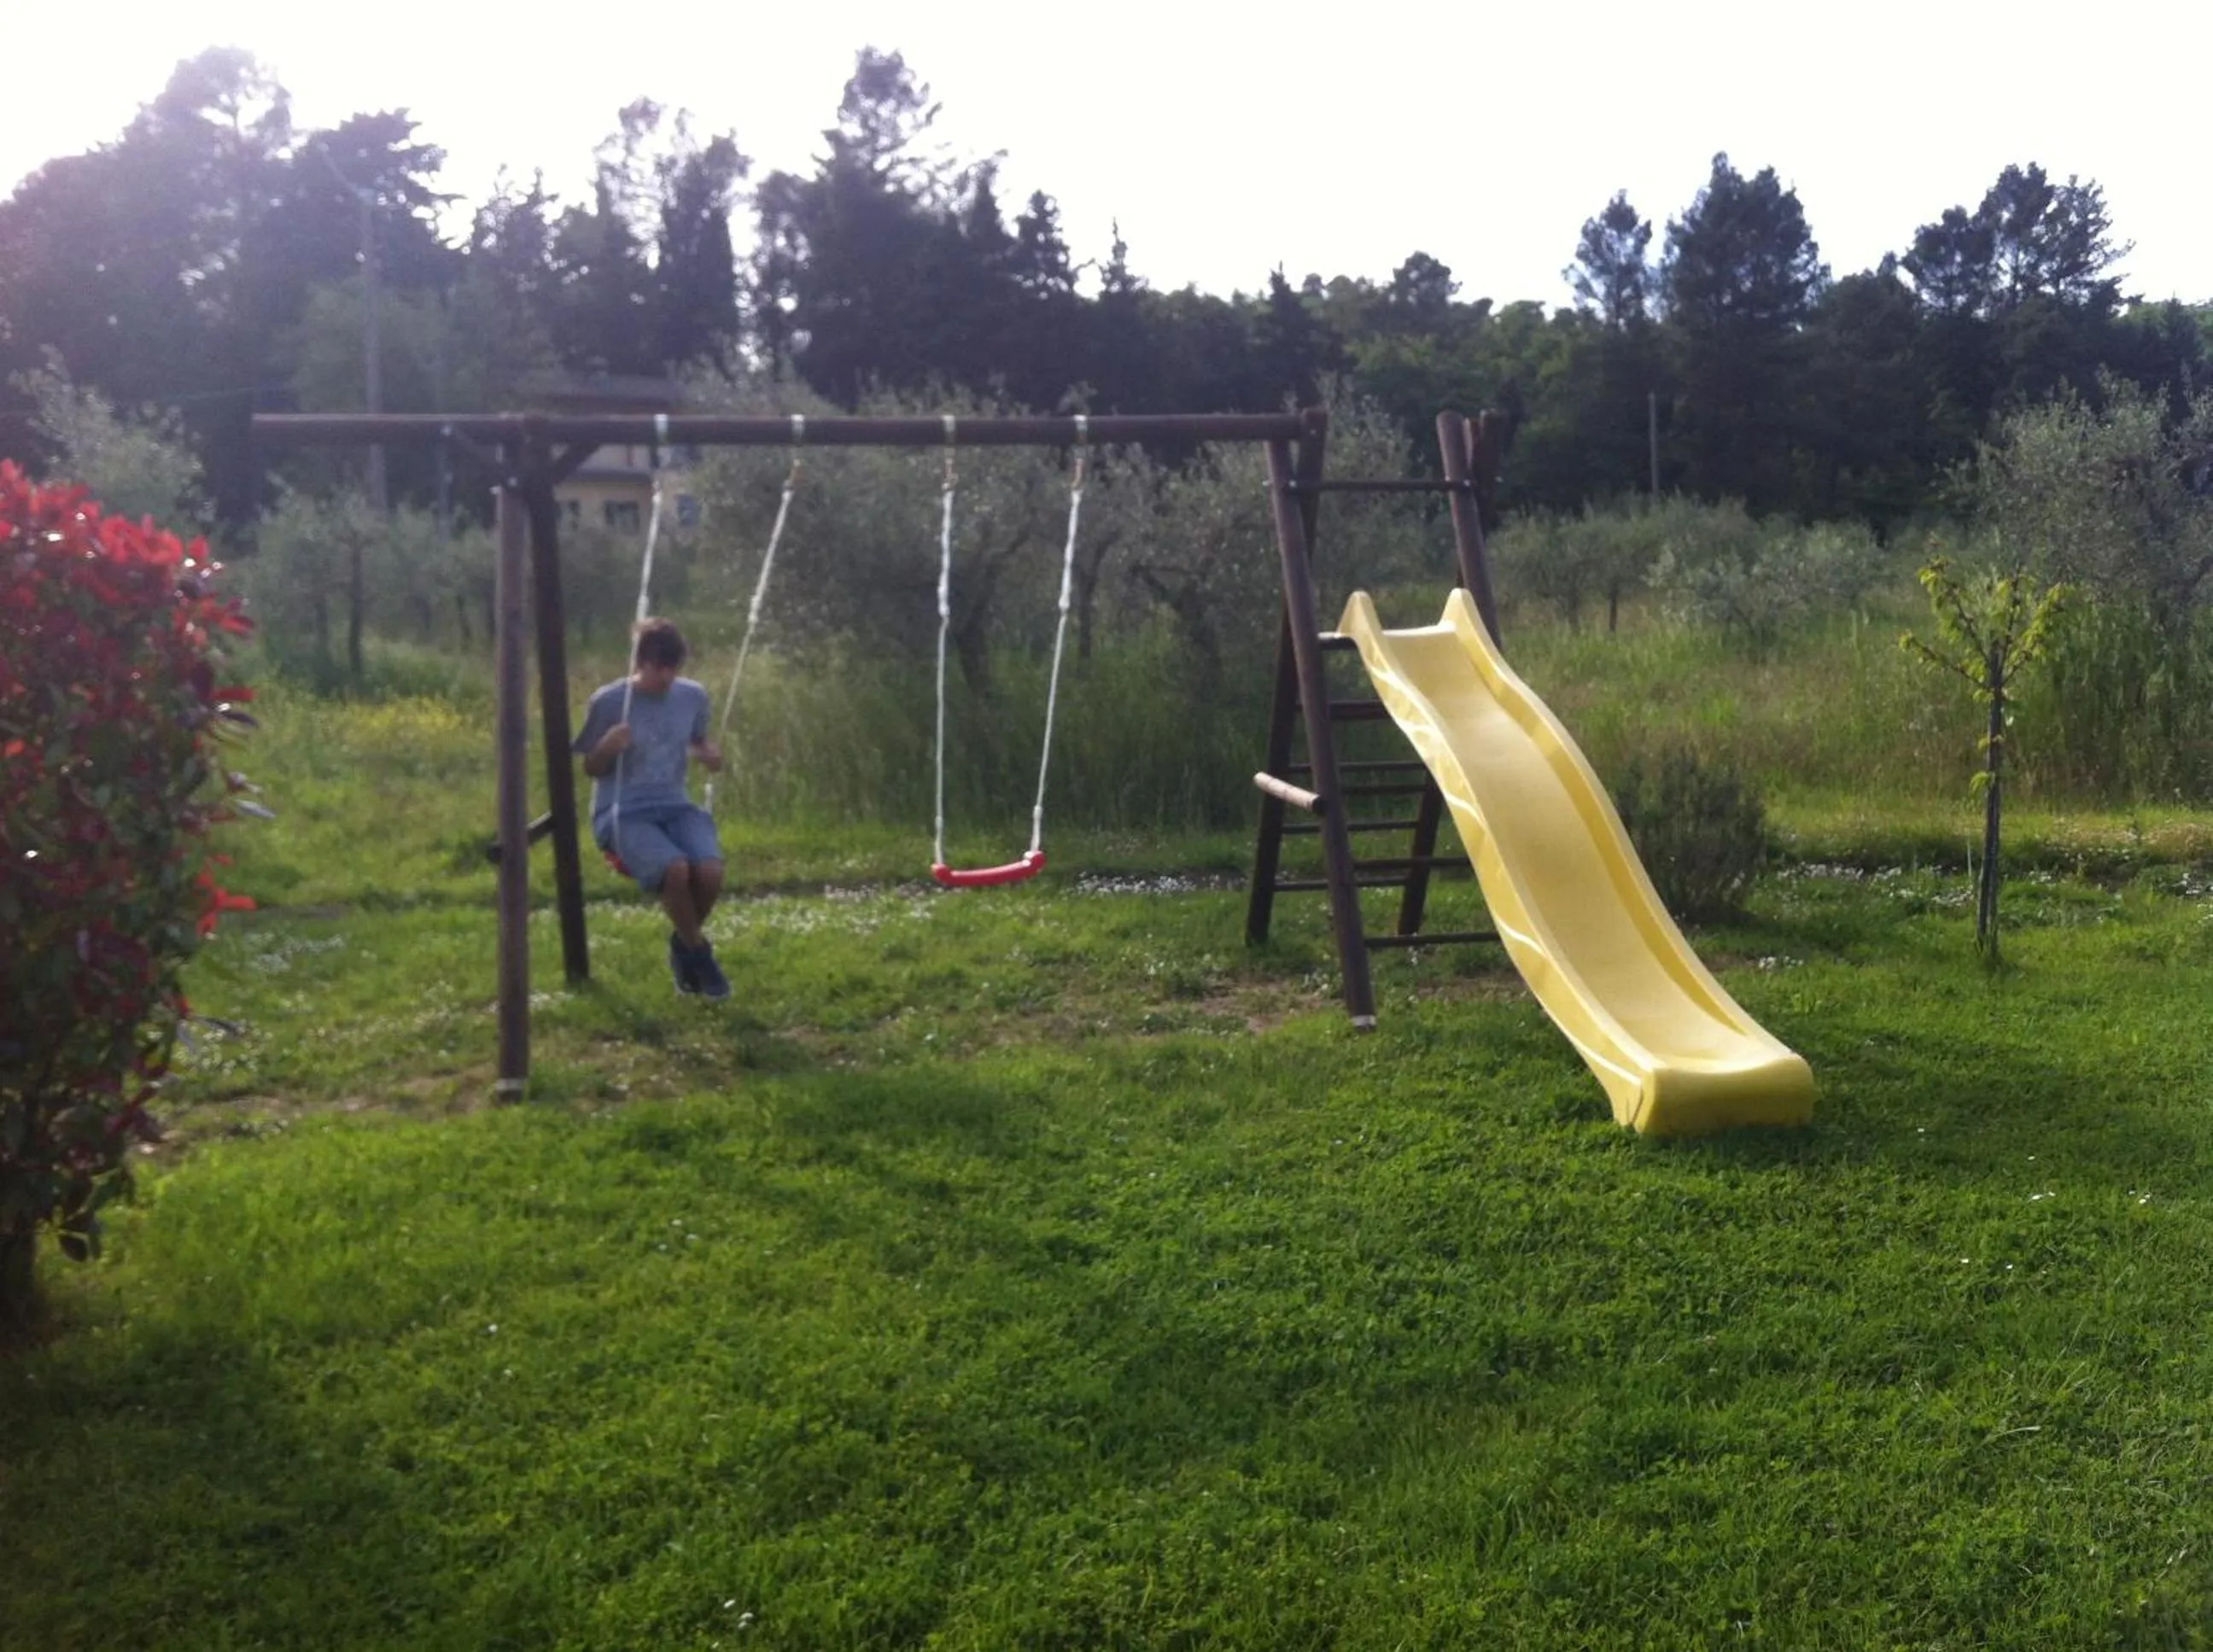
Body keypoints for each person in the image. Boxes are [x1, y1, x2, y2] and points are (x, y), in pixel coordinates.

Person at [573, 617, 730, 999]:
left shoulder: (692, 696)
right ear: (640, 662)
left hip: (675, 805)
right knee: (675, 870)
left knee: (709, 872)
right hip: (623, 812)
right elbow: (591, 768)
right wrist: (607, 747)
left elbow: (695, 742)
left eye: (673, 668)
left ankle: (683, 946)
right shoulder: (610, 701)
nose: (667, 677)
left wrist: (709, 756)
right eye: (659, 668)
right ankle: (701, 956)